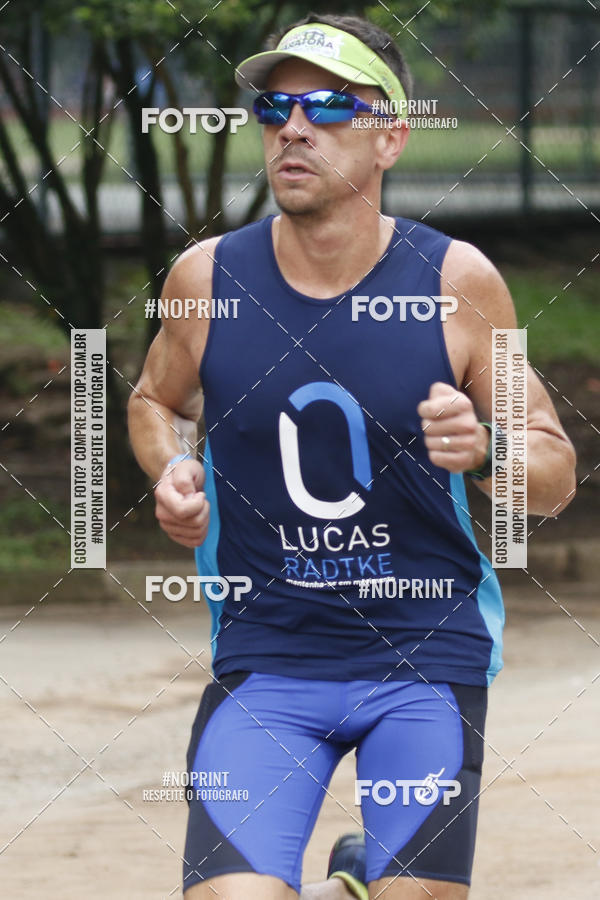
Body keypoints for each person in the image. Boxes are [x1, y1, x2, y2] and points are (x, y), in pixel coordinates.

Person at [127, 13, 576, 900]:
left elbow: (554, 467)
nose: (295, 126)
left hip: (425, 656)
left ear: (392, 139)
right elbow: (154, 402)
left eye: (331, 105)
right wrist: (171, 468)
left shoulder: (459, 281)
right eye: (275, 106)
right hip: (268, 655)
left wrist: (486, 453)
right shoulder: (206, 278)